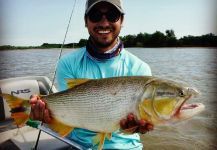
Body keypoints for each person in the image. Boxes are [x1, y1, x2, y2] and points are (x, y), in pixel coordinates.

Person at [30, 0, 153, 149]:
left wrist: (137, 127)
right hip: (76, 145)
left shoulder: (140, 69)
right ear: (86, 21)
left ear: (122, 20)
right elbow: (68, 112)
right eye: (95, 15)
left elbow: (144, 124)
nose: (104, 22)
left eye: (112, 15)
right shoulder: (68, 63)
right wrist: (45, 115)